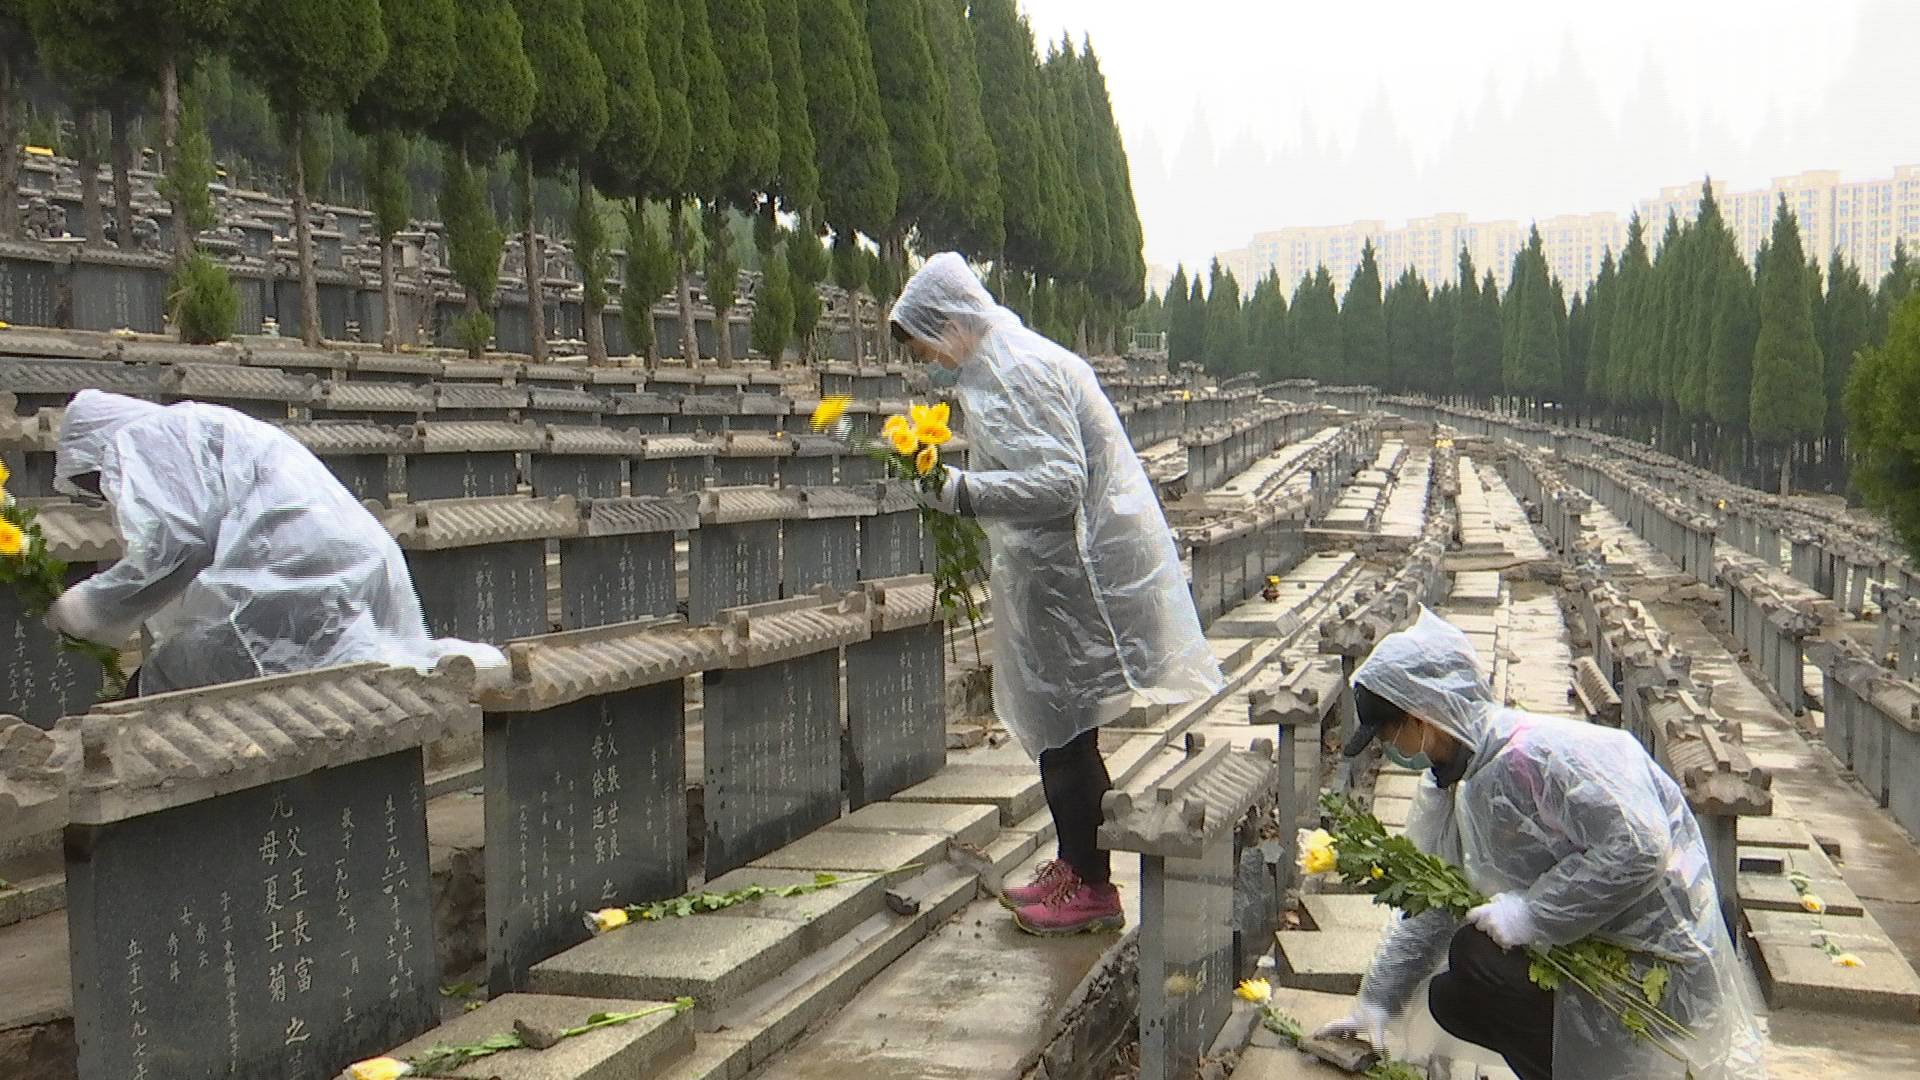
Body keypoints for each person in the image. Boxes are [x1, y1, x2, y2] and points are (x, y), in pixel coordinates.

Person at [887, 253, 1224, 936]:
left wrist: (960, 491)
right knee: (1062, 731)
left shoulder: (1016, 370)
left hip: (1080, 576)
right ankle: (1076, 864)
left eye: (923, 342)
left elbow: (1061, 482)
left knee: (1067, 735)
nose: (925, 359)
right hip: (1059, 571)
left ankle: (1090, 884)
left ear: (951, 322)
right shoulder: (1000, 364)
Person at [1313, 608, 1764, 1080]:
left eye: (1391, 732)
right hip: (1584, 950)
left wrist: (1533, 913)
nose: (1395, 749)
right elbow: (1430, 906)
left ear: (1426, 713)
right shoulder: (1452, 786)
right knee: (1451, 997)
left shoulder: (1541, 757)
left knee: (1475, 953)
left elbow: (1640, 848)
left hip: (1655, 967)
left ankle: (1618, 1065)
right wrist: (1378, 1000)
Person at [45, 390, 506, 696]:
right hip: (347, 561)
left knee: (166, 677)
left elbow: (179, 544)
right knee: (358, 665)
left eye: (95, 481)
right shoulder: (194, 430)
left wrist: (88, 609)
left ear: (98, 451)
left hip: (296, 577)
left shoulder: (140, 441)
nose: (102, 491)